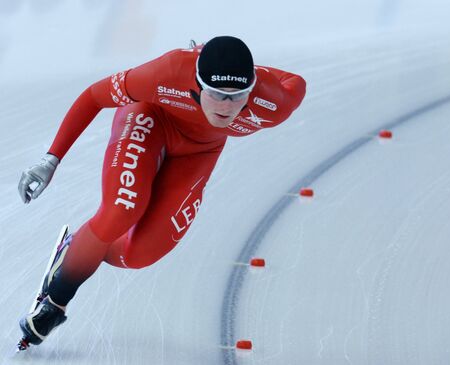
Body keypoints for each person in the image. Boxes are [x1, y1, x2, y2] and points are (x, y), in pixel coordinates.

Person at [16, 35, 306, 350]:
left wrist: (245, 70)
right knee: (122, 210)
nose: (227, 107)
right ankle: (55, 303)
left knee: (137, 255)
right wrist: (50, 160)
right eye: (216, 94)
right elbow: (93, 97)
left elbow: (297, 82)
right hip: (150, 118)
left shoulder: (274, 103)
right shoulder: (168, 73)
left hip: (198, 152)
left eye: (238, 97)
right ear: (196, 84)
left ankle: (77, 249)